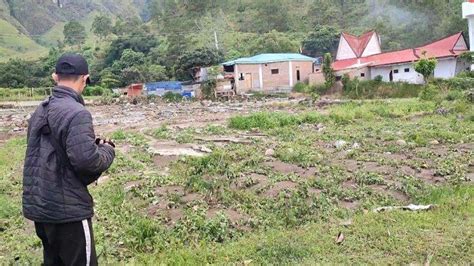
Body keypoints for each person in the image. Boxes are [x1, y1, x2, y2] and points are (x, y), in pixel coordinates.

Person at [22, 53, 115, 265]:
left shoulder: (40, 110)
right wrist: (108, 150)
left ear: (56, 77)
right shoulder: (77, 113)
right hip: (68, 212)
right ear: (85, 79)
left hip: (40, 207)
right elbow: (87, 162)